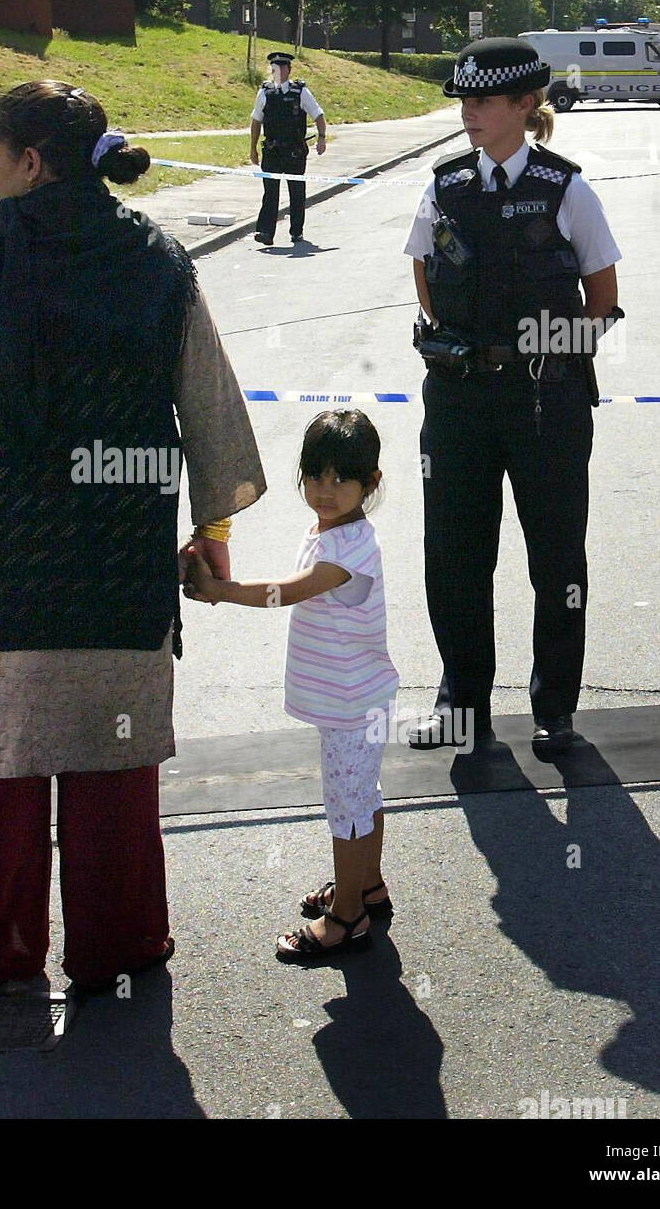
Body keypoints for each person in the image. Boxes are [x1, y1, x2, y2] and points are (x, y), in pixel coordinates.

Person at [0, 81, 266, 992]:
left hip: (5, 557)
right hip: (121, 556)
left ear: (29, 161)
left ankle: (3, 954)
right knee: (115, 769)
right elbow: (208, 403)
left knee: (2, 768)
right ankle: (119, 946)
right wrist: (209, 527)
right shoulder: (155, 257)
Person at [403, 38, 622, 753]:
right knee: (455, 555)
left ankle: (553, 710)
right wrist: (459, 343)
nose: (468, 113)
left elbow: (603, 298)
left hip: (544, 402)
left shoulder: (567, 190)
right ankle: (461, 703)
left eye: (482, 101)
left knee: (555, 558)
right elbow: (424, 278)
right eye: (463, 101)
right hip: (459, 398)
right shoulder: (444, 186)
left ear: (524, 106)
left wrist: (545, 348)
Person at [185, 410, 399, 964]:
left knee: (346, 808)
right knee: (361, 798)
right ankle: (367, 885)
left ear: (370, 483)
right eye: (315, 475)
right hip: (357, 699)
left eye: (341, 479)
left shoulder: (346, 550)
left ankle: (347, 915)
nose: (325, 490)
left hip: (352, 705)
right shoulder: (335, 530)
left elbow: (287, 591)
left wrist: (220, 590)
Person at [250, 51, 327, 246]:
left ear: (289, 70)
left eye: (283, 67)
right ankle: (265, 232)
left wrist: (322, 138)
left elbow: (318, 115)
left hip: (294, 151)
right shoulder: (265, 92)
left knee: (296, 192)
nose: (279, 71)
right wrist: (253, 148)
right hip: (272, 150)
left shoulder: (300, 92)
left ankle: (296, 231)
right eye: (275, 68)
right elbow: (256, 121)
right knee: (270, 193)